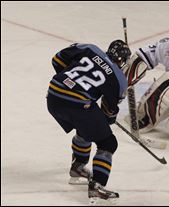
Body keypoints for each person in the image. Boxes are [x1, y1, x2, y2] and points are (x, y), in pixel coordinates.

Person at [47, 40, 131, 201]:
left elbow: (57, 60)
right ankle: (97, 188)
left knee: (87, 126)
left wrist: (70, 83)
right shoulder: (120, 80)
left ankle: (78, 167)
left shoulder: (90, 48)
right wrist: (105, 116)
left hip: (54, 94)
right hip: (77, 103)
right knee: (108, 143)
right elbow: (108, 114)